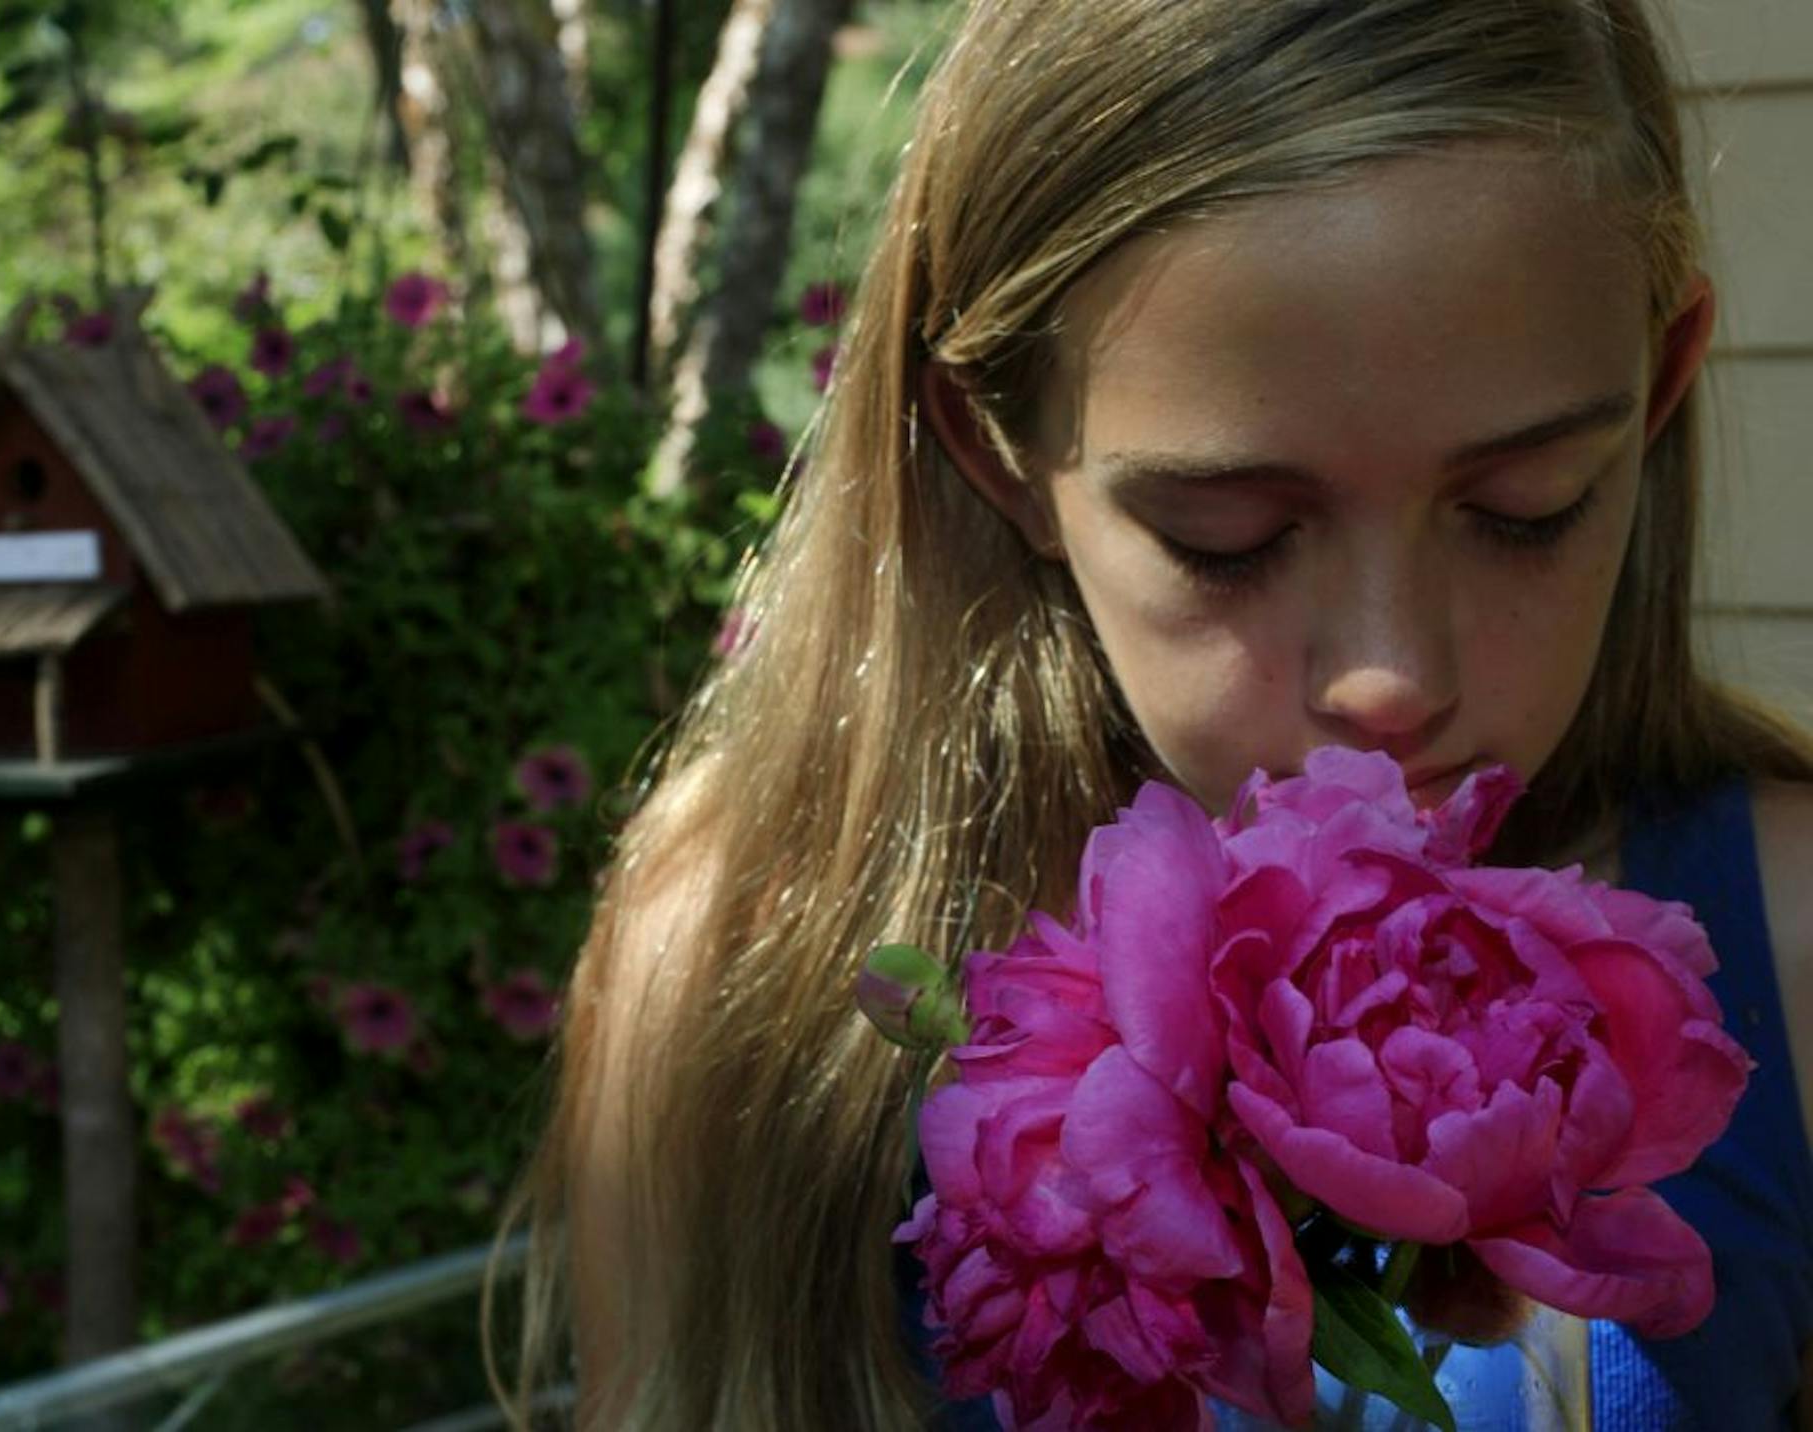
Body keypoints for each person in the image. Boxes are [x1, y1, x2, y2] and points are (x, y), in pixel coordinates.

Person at [479, 0, 1813, 1427]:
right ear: (999, 456)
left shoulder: (1785, 940)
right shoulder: (748, 961)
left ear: (1658, 391)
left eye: (1523, 510)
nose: (1391, 676)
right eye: (1227, 536)